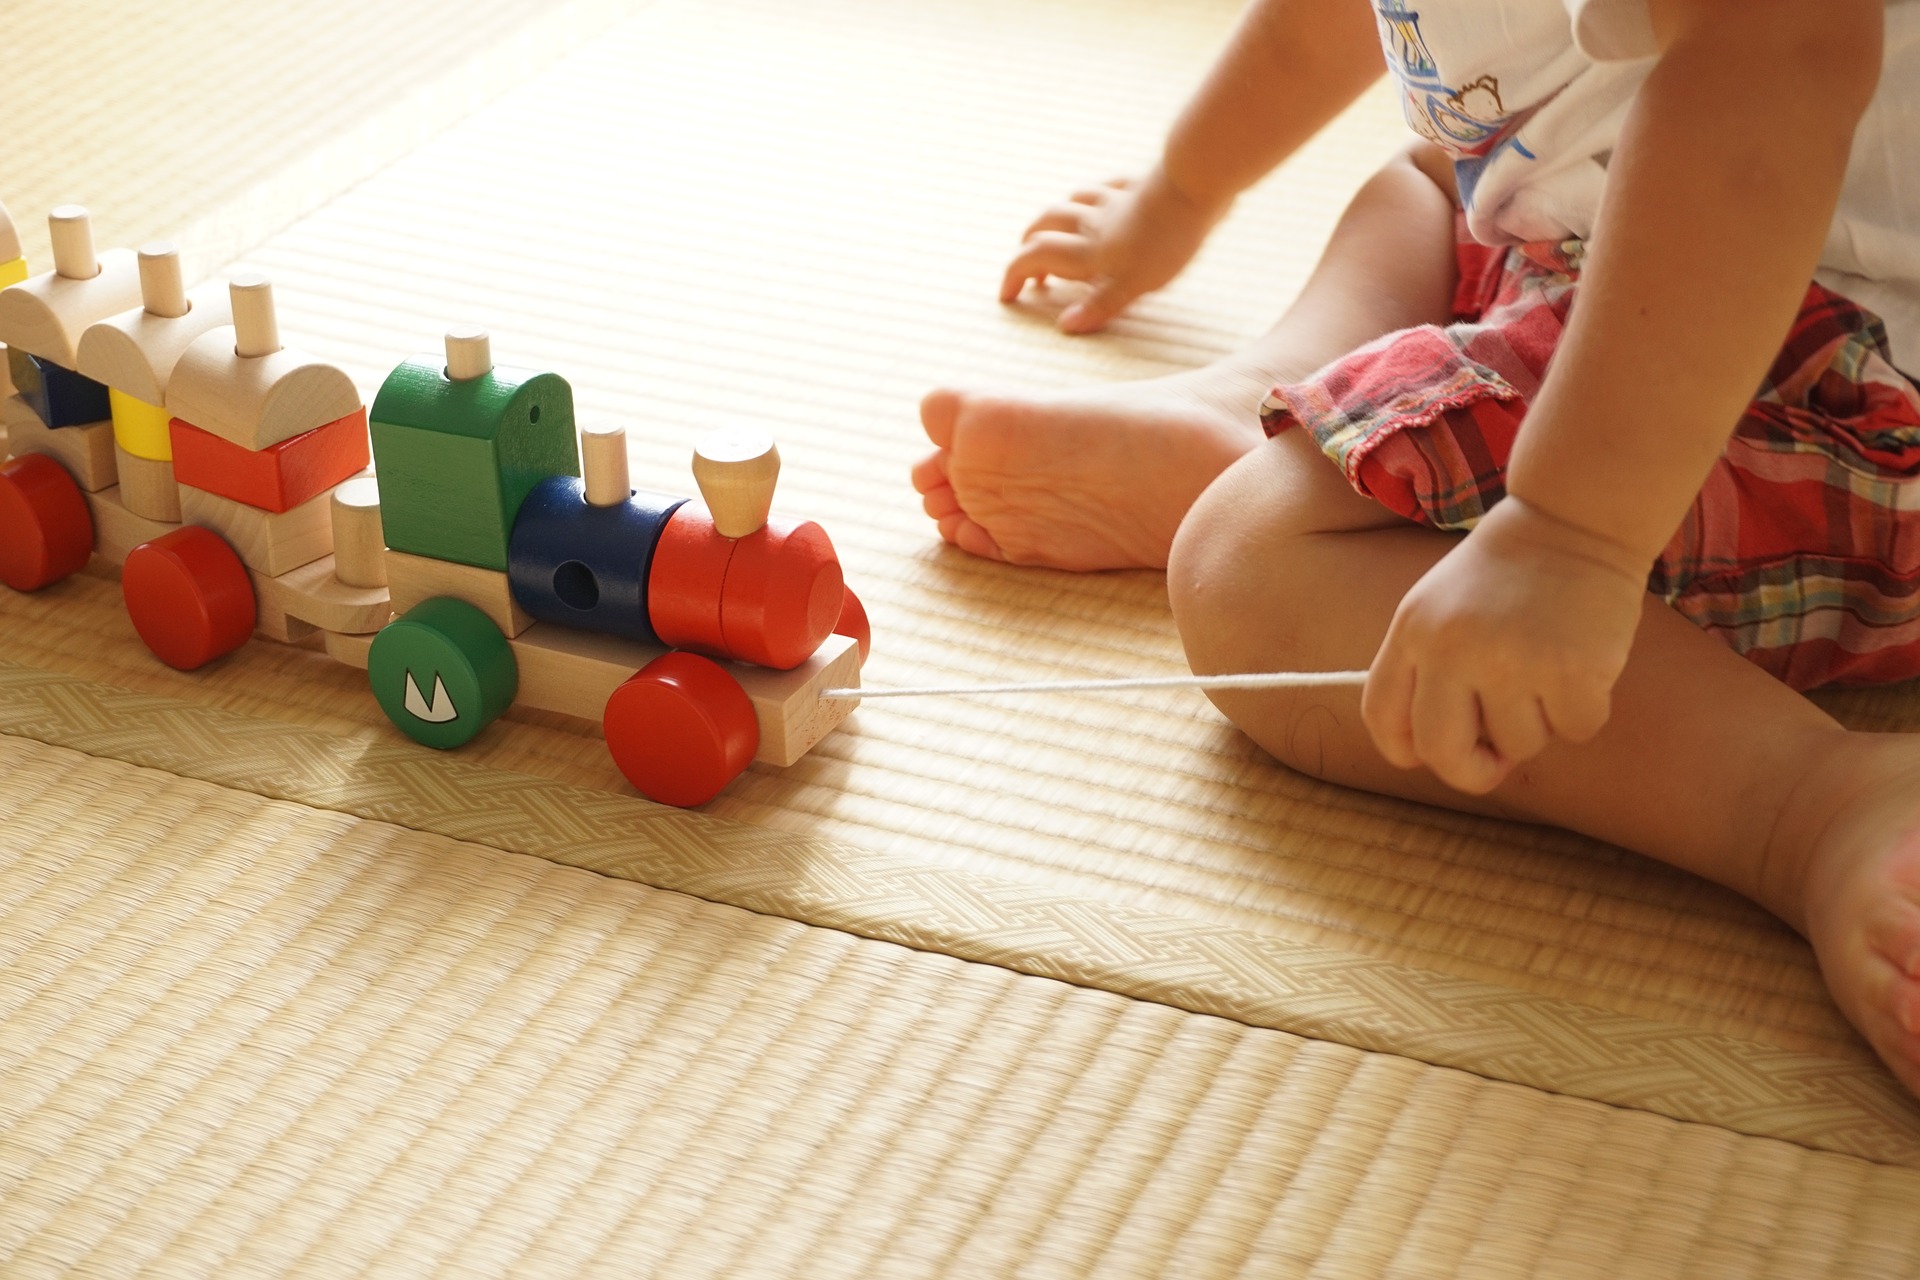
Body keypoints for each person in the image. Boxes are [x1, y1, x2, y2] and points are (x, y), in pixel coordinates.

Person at [910, 0, 1920, 1096]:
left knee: (1254, 568)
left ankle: (1811, 801)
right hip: (1622, 249)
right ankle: (1272, 402)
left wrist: (1570, 539)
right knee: (1434, 179)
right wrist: (1182, 190)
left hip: (1832, 376)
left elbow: (1780, 66)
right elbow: (1329, 18)